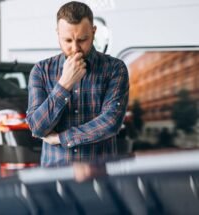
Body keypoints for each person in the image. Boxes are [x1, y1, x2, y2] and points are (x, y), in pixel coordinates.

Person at [26, 1, 129, 167]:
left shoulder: (115, 69)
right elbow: (37, 128)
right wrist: (64, 84)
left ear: (93, 32)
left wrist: (61, 138)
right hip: (55, 176)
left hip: (99, 175)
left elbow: (110, 122)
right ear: (57, 34)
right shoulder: (41, 71)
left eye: (82, 39)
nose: (75, 48)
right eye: (67, 40)